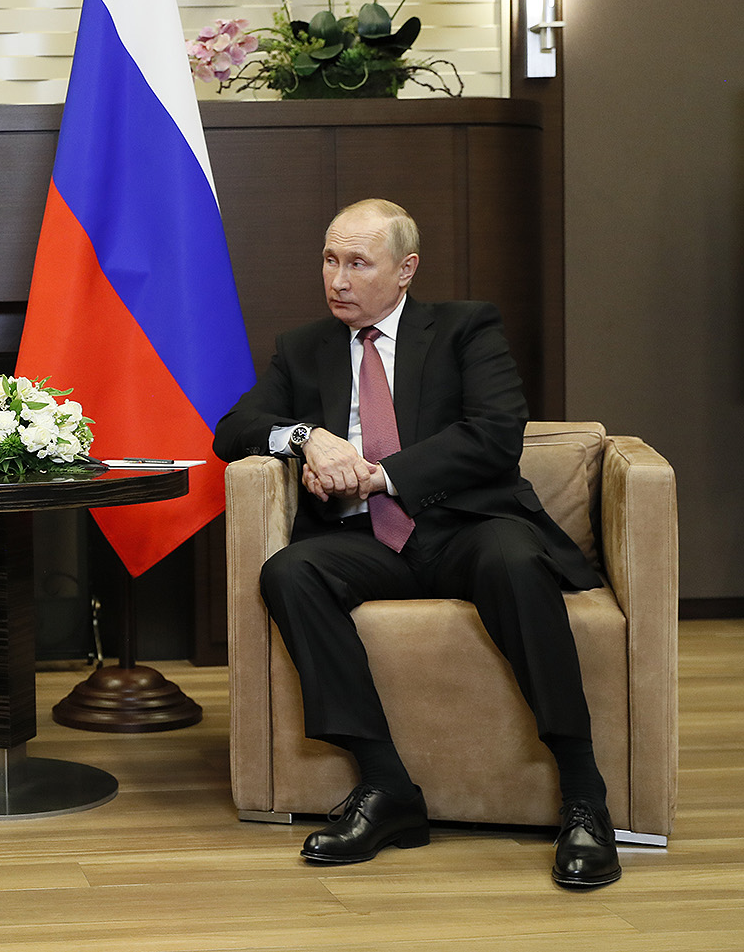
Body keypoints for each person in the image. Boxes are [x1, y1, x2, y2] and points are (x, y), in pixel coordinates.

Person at [211, 198, 620, 890]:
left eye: (358, 263)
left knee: (515, 560)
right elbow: (233, 429)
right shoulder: (304, 347)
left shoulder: (464, 328)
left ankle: (585, 795)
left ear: (405, 270)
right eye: (329, 260)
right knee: (290, 571)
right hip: (365, 541)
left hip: (467, 528)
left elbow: (494, 434)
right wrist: (309, 437)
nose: (338, 279)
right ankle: (387, 787)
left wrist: (380, 475)